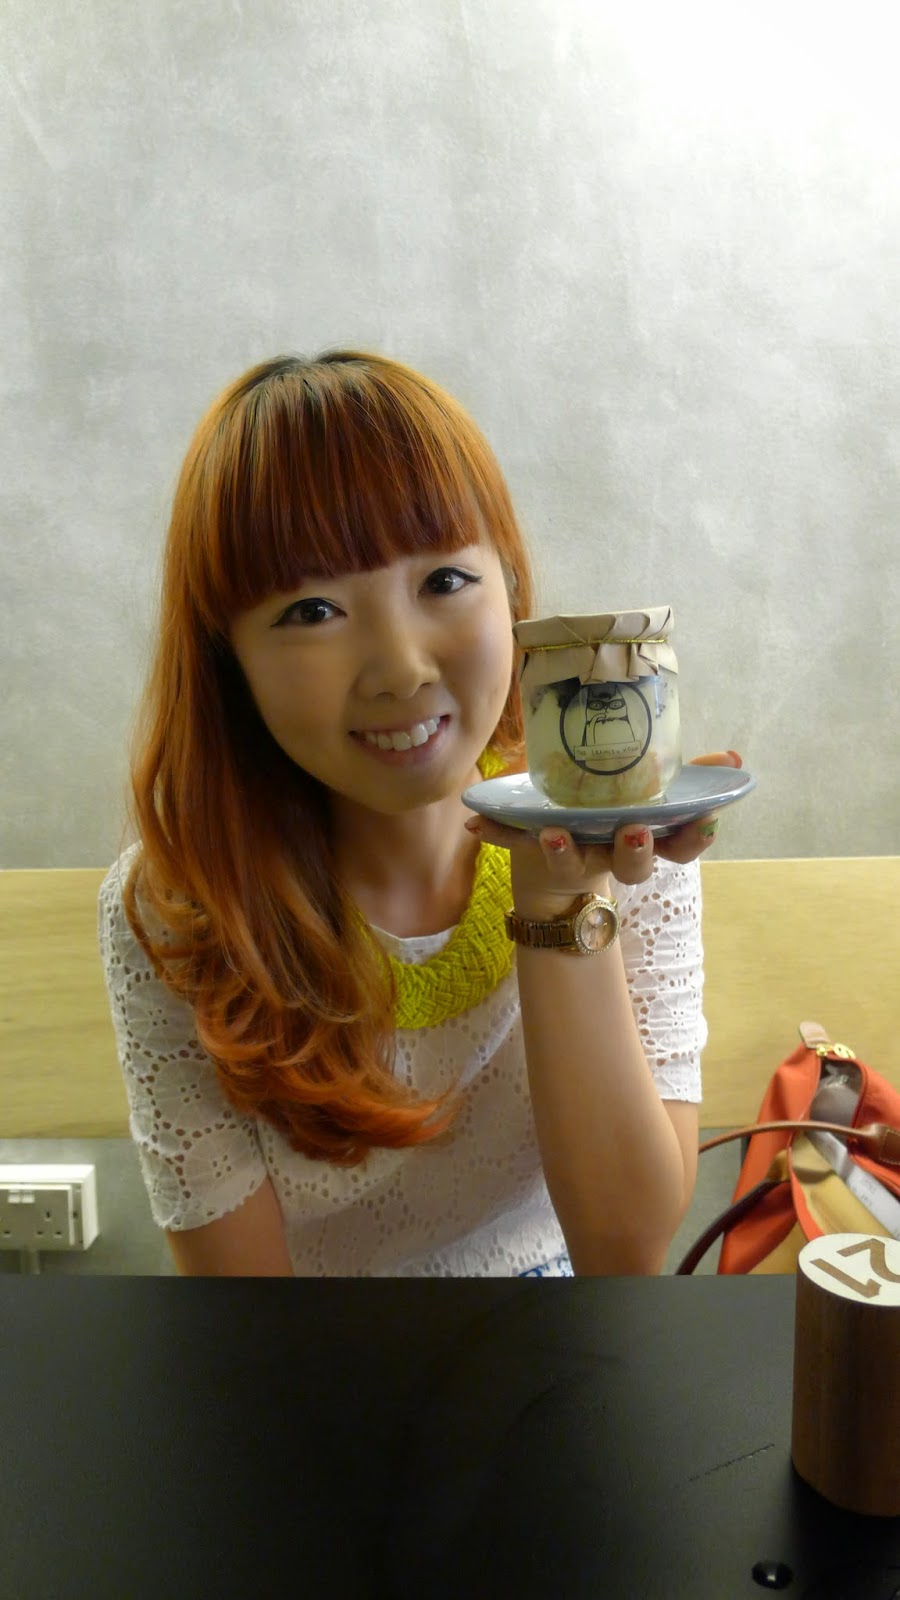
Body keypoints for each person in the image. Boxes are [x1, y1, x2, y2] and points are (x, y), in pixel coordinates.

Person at [98, 349, 736, 1278]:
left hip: (560, 1336)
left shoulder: (620, 839)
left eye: (443, 582)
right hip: (306, 1347)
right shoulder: (181, 906)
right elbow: (243, 1310)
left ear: (511, 591)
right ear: (227, 657)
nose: (399, 668)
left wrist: (560, 898)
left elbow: (623, 1251)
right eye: (312, 609)